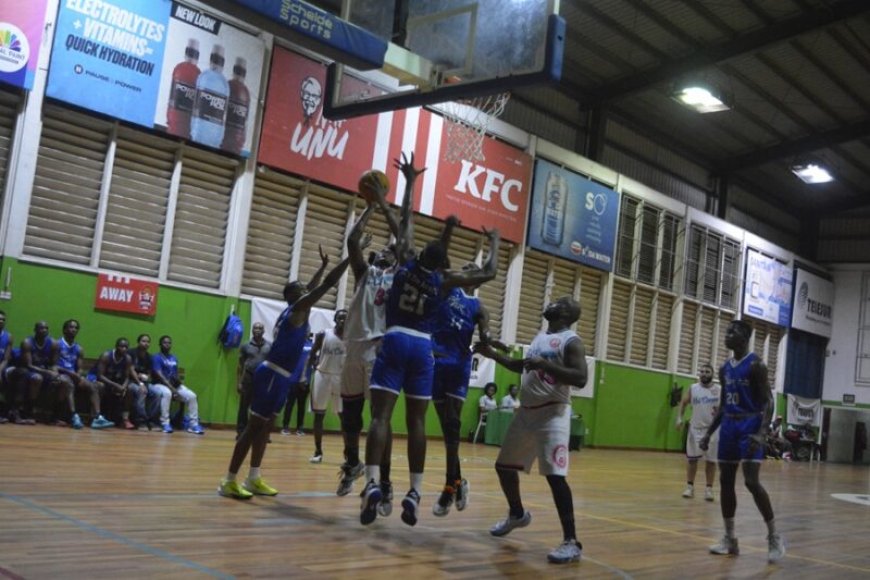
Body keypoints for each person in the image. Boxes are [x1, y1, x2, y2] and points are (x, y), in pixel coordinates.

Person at [360, 152, 500, 527]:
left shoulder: (406, 261)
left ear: (420, 253)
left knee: (381, 417)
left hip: (395, 338)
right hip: (424, 348)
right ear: (443, 265)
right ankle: (415, 491)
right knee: (418, 422)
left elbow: (403, 220)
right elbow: (488, 272)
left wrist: (407, 184)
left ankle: (373, 483)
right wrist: (496, 242)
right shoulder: (446, 281)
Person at [218, 255, 350, 500]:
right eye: (301, 289)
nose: (306, 290)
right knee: (253, 428)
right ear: (293, 296)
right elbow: (326, 285)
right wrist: (350, 256)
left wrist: (321, 267)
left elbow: (312, 287)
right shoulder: (296, 311)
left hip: (282, 377)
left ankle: (253, 477)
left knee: (265, 429)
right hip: (271, 374)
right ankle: (228, 480)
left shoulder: (297, 308)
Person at [474, 296, 587, 564]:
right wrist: (493, 355)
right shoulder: (540, 337)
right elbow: (521, 366)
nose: (551, 302)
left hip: (553, 413)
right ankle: (517, 514)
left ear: (567, 314)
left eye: (559, 303)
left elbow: (581, 378)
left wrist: (546, 365)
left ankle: (571, 542)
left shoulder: (572, 341)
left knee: (555, 477)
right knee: (503, 467)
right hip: (526, 412)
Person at [700, 319, 785, 564]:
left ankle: (774, 536)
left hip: (750, 424)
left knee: (751, 481)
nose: (727, 334)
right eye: (727, 331)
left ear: (745, 337)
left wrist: (762, 433)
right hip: (729, 425)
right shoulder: (724, 368)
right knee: (725, 482)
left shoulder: (756, 365)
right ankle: (730, 539)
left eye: (732, 331)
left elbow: (768, 400)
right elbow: (724, 405)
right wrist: (709, 433)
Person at [431, 256, 501, 518]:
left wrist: (489, 339)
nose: (467, 269)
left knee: (452, 425)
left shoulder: (479, 306)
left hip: (459, 364)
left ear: (478, 279)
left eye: (473, 269)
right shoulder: (448, 289)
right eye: (465, 267)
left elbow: (485, 332)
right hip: (436, 360)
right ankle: (459, 481)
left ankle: (449, 487)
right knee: (447, 431)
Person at [56, 319, 113, 429]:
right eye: (71, 327)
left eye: (76, 328)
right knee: (68, 383)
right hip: (60, 374)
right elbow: (53, 365)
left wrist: (78, 375)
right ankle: (74, 416)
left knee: (93, 385)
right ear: (64, 330)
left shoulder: (79, 348)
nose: (73, 330)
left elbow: (80, 368)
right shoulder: (57, 344)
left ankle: (97, 418)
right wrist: (71, 374)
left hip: (73, 376)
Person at [675, 364, 720, 501]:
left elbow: (724, 409)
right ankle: (690, 487)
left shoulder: (719, 390)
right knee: (692, 459)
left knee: (711, 461)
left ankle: (709, 489)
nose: (704, 373)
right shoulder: (693, 388)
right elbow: (683, 403)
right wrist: (679, 418)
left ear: (712, 374)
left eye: (707, 371)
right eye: (702, 371)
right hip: (695, 428)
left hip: (713, 430)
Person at [308, 309, 347, 463]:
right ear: (335, 320)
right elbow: (312, 354)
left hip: (341, 378)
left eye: (346, 318)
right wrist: (306, 374)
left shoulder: (352, 338)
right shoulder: (324, 334)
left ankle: (349, 453)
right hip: (322, 375)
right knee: (319, 415)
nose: (343, 321)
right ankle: (318, 451)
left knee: (344, 417)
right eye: (340, 318)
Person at [151, 335, 204, 435]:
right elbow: (159, 375)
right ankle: (165, 423)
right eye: (165, 343)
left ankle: (193, 425)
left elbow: (175, 375)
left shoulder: (173, 358)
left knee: (192, 396)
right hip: (159, 384)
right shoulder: (156, 357)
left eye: (169, 343)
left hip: (173, 385)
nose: (167, 345)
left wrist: (179, 385)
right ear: (160, 344)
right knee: (167, 393)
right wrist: (172, 389)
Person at [88, 337, 137, 429]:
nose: (124, 349)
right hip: (96, 378)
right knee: (100, 386)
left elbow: (127, 377)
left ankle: (125, 419)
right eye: (122, 346)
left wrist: (123, 387)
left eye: (126, 347)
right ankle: (95, 417)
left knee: (129, 389)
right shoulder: (106, 356)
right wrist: (115, 385)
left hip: (112, 381)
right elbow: (100, 376)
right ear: (116, 346)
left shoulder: (127, 359)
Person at [129, 334, 173, 433]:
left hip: (144, 382)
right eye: (143, 341)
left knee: (157, 393)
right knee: (141, 391)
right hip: (131, 381)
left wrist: (147, 378)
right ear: (138, 342)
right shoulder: (131, 353)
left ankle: (152, 420)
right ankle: (141, 421)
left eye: (148, 342)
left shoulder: (149, 357)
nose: (146, 343)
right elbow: (130, 370)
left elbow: (149, 372)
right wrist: (140, 383)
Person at [236, 322, 270, 437]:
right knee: (244, 406)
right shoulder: (245, 346)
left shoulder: (269, 346)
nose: (257, 330)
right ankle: (241, 432)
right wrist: (239, 382)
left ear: (263, 331)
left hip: (263, 379)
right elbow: (240, 365)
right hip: (248, 378)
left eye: (260, 328)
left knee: (262, 408)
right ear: (252, 330)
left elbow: (271, 365)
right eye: (255, 328)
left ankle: (261, 433)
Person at [281, 333, 314, 436]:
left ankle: (300, 428)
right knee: (289, 404)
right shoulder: (293, 344)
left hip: (304, 381)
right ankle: (285, 427)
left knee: (301, 405)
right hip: (292, 380)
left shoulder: (312, 345)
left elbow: (313, 361)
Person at [0, 311, 13, 422]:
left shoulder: (8, 337)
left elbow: (6, 359)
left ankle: (9, 411)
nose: (1, 321)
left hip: (2, 366)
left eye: (3, 319)